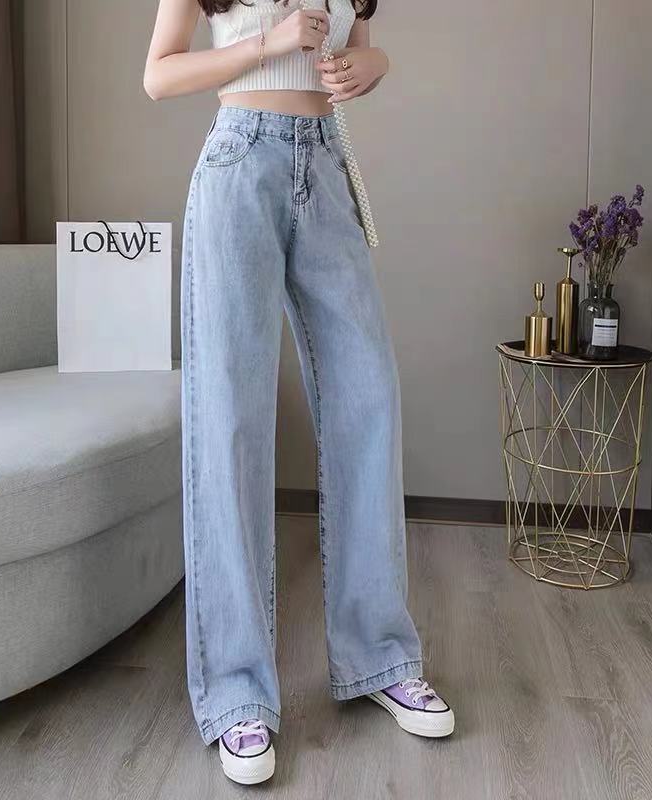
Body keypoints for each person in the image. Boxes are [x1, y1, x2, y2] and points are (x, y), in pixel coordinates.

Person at [143, 0, 454, 785]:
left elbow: (366, 44)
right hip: (238, 164)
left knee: (368, 401)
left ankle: (379, 657)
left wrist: (372, 65)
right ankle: (237, 694)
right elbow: (159, 74)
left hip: (325, 166)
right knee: (231, 421)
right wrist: (267, 43)